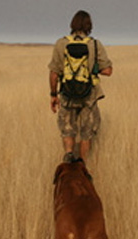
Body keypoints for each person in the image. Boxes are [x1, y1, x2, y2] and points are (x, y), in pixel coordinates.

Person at [48, 10, 113, 163]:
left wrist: (53, 95)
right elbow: (108, 71)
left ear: (72, 24)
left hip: (67, 94)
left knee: (67, 129)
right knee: (86, 133)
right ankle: (82, 163)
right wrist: (94, 69)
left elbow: (54, 73)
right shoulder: (95, 44)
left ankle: (69, 154)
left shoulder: (61, 43)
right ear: (89, 26)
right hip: (89, 96)